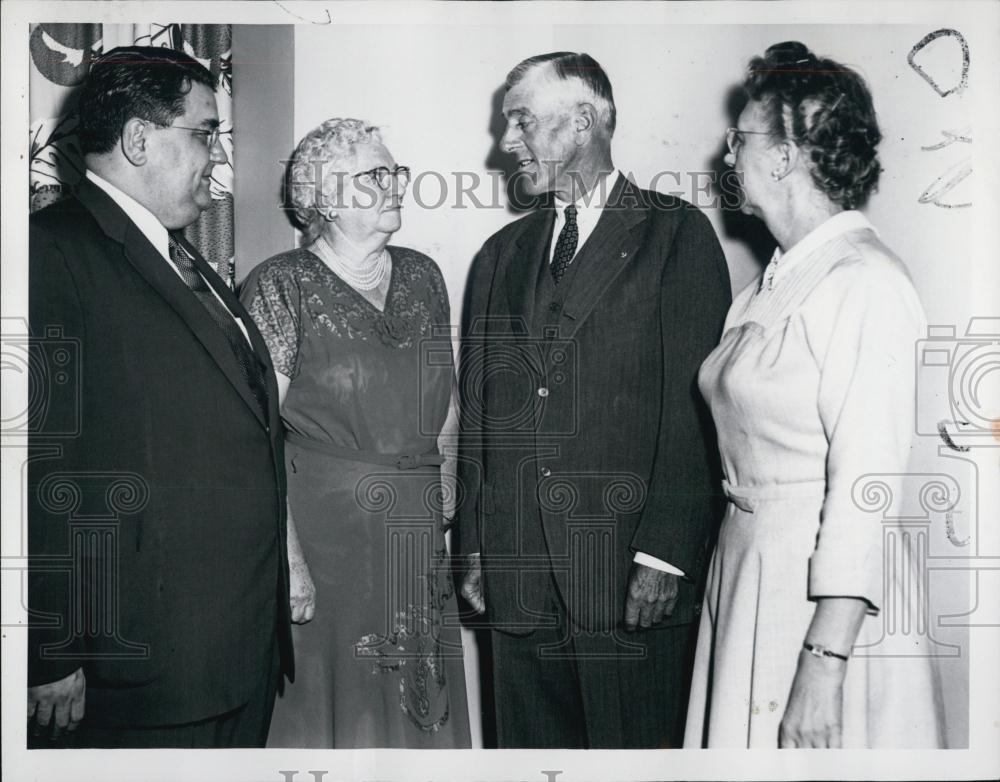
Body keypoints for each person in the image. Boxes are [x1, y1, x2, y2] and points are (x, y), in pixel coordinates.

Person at [456, 52, 731, 748]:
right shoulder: (498, 255)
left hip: (627, 580)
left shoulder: (677, 236)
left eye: (520, 122)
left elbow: (694, 415)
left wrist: (665, 555)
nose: (506, 142)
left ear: (582, 121)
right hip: (519, 582)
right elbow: (483, 420)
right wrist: (478, 549)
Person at [26, 47, 292, 748]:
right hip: (146, 665)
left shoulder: (181, 252)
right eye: (205, 132)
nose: (217, 153)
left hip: (235, 649)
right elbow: (38, 465)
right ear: (140, 138)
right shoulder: (48, 253)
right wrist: (48, 649)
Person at [684, 41, 946, 748]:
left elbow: (868, 489)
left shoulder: (865, 281)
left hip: (823, 609)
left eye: (739, 139)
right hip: (750, 570)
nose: (726, 156)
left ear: (784, 155)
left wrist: (824, 663)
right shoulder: (767, 287)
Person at [239, 118, 471, 748]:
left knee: (422, 704)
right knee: (336, 706)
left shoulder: (423, 276)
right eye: (377, 175)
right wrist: (287, 561)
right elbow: (254, 437)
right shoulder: (278, 284)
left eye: (397, 173)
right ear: (326, 196)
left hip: (415, 531)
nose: (397, 186)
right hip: (323, 538)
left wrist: (445, 486)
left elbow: (444, 398)